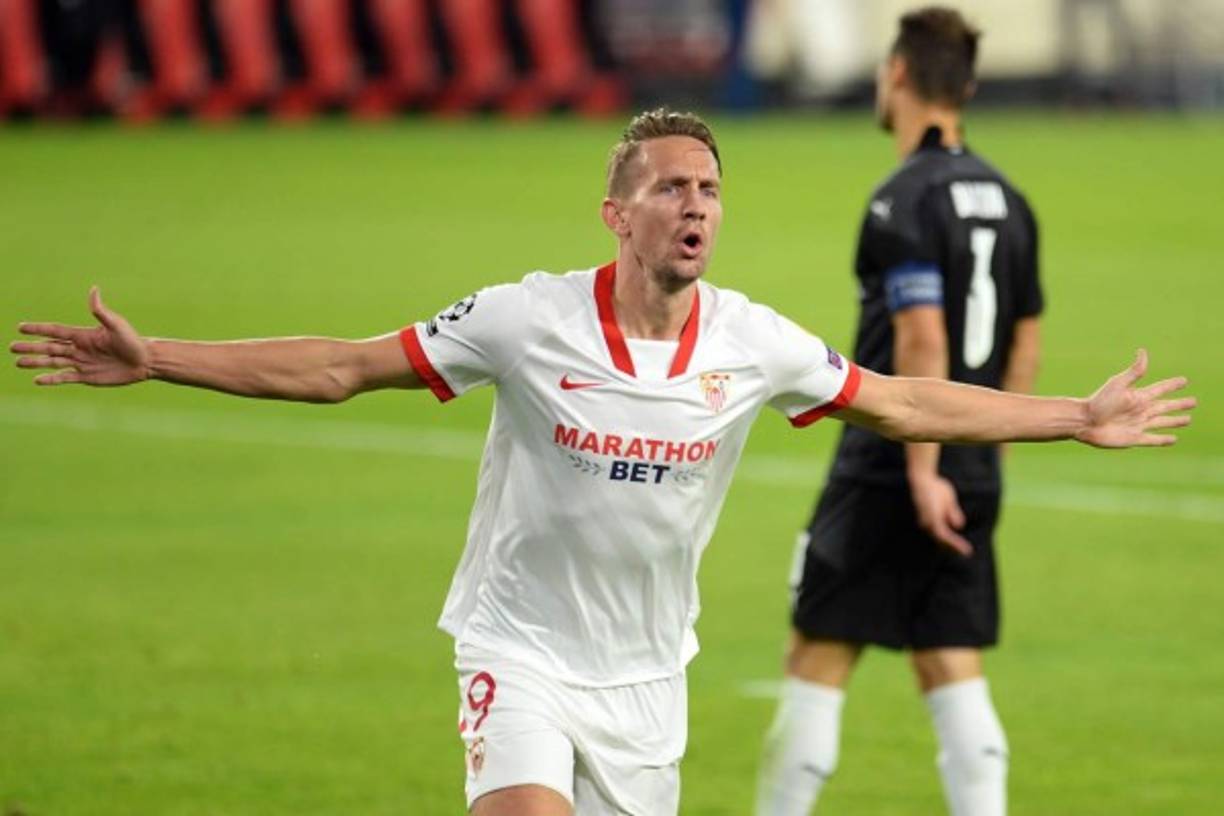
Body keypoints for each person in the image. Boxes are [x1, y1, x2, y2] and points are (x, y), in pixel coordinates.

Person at [11, 107, 1193, 816]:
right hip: (518, 648)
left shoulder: (751, 342)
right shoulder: (525, 321)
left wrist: (1074, 416)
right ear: (617, 214)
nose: (697, 205)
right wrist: (159, 357)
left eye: (711, 189)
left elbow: (899, 398)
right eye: (672, 187)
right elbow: (343, 366)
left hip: (645, 679)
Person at [755, 8, 1054, 816]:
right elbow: (1025, 343)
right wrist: (981, 460)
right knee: (949, 658)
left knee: (817, 656)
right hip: (974, 466)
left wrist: (924, 469)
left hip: (889, 464)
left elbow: (922, 339)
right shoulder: (1013, 201)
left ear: (896, 73)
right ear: (970, 87)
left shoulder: (901, 201)